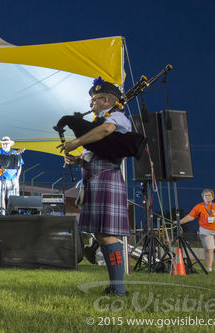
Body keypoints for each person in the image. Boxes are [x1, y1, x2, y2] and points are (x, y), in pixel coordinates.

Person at [58, 78, 131, 296]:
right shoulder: (96, 124)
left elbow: (107, 131)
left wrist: (76, 142)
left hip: (107, 178)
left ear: (106, 100)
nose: (91, 104)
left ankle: (118, 287)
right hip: (94, 179)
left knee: (107, 234)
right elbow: (94, 154)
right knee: (101, 234)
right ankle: (114, 285)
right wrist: (77, 159)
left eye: (94, 100)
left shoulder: (115, 118)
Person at [180, 189, 215, 272]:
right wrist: (180, 222)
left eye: (209, 195)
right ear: (203, 197)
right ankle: (209, 268)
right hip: (206, 230)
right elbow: (190, 216)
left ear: (213, 197)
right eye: (205, 196)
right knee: (209, 249)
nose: (207, 197)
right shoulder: (199, 206)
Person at [0, 136, 24, 213]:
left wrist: (17, 177)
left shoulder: (15, 153)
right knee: (1, 197)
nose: (5, 145)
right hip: (0, 178)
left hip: (12, 178)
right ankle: (2, 213)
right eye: (3, 143)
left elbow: (20, 167)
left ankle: (12, 213)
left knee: (13, 197)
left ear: (10, 144)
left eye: (6, 143)